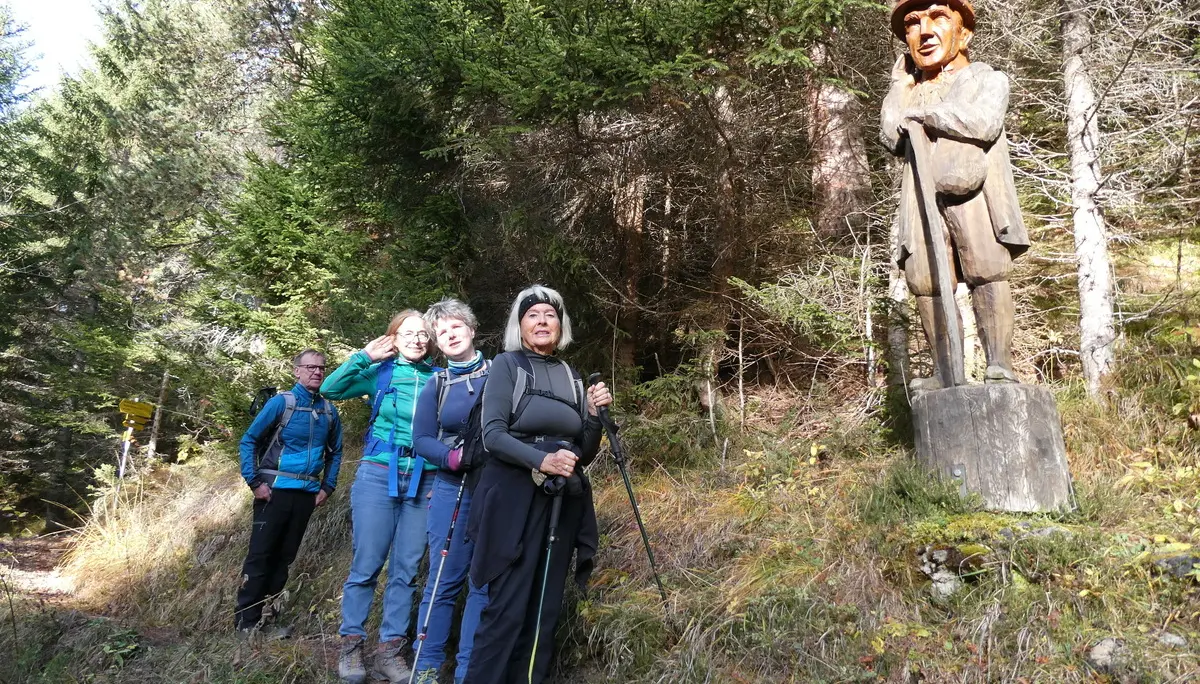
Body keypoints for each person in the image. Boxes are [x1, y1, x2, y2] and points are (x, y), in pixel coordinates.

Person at [464, 285, 612, 684]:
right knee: (506, 608)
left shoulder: (571, 376)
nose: (542, 321)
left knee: (545, 608)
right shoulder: (507, 365)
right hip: (512, 498)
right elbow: (493, 435)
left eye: (550, 315)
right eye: (533, 315)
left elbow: (583, 452)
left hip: (560, 501)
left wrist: (593, 416)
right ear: (520, 325)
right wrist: (541, 460)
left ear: (560, 326)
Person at [881, 0, 1029, 390]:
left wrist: (927, 115)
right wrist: (900, 88)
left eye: (938, 18)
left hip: (975, 194)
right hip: (920, 198)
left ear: (963, 34)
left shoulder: (985, 77)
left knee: (987, 271)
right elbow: (891, 136)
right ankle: (946, 373)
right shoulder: (911, 92)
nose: (925, 32)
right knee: (926, 281)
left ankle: (999, 365)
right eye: (913, 25)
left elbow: (983, 121)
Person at [321, 312, 437, 684]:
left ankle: (390, 652)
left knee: (406, 570)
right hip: (377, 474)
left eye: (423, 334)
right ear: (393, 338)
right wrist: (364, 356)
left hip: (425, 478)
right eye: (408, 333)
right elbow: (330, 389)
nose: (416, 339)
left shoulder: (439, 377)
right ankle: (351, 647)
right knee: (366, 565)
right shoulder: (379, 372)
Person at [235, 349, 343, 637]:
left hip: (306, 495)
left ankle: (267, 619)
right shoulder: (281, 403)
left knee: (284, 558)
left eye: (321, 368)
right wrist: (254, 482)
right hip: (273, 493)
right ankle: (246, 623)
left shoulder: (329, 411)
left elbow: (336, 452)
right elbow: (249, 440)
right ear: (296, 371)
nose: (317, 372)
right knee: (261, 556)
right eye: (310, 367)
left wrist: (328, 486)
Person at [410, 298, 491, 684]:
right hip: (452, 488)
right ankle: (425, 668)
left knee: (484, 583)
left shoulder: (501, 373)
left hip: (494, 491)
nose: (451, 335)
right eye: (442, 332)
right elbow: (422, 439)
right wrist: (451, 458)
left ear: (471, 329)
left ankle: (468, 671)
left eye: (456, 326)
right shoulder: (437, 383)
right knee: (444, 579)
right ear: (437, 344)